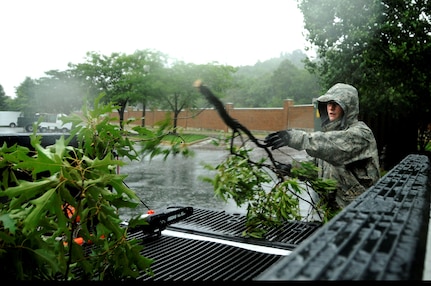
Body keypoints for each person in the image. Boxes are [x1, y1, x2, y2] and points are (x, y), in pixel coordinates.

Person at [264, 83, 380, 210]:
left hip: (357, 211)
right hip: (331, 211)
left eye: (337, 104)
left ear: (349, 108)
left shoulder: (361, 134)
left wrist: (296, 137)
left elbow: (332, 145)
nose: (331, 108)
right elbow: (318, 167)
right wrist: (293, 168)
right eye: (329, 104)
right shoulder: (330, 133)